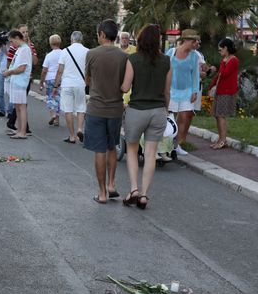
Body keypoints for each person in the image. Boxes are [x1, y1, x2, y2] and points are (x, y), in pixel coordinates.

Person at [119, 24, 172, 210]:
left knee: (132, 150)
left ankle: (133, 189)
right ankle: (144, 195)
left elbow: (125, 87)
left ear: (140, 40)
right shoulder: (166, 61)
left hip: (137, 110)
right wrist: (166, 109)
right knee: (151, 154)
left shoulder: (133, 59)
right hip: (158, 111)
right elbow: (167, 91)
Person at [84, 19, 128, 204]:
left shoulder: (92, 54)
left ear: (102, 34)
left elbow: (87, 80)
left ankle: (102, 193)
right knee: (111, 147)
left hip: (96, 108)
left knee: (99, 150)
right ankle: (112, 184)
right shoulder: (123, 56)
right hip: (116, 109)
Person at [165, 29, 200, 154]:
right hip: (172, 90)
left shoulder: (194, 56)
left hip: (187, 91)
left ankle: (178, 144)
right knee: (170, 117)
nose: (195, 43)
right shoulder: (171, 53)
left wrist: (195, 91)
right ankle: (167, 143)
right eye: (193, 41)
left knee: (185, 117)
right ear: (185, 40)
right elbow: (164, 71)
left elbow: (195, 74)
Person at [53, 30, 88, 144]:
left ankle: (72, 136)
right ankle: (79, 129)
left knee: (68, 110)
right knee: (81, 108)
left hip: (67, 84)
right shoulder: (87, 51)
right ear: (81, 39)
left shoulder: (65, 51)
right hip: (80, 84)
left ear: (71, 39)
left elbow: (59, 71)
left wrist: (55, 85)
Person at [208, 38, 239, 150]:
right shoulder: (224, 60)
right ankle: (220, 138)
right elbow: (219, 76)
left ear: (226, 48)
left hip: (227, 92)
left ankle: (223, 140)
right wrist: (211, 85)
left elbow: (224, 74)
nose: (219, 51)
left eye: (221, 48)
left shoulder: (233, 60)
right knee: (217, 115)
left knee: (221, 115)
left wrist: (223, 64)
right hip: (220, 90)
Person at [3, 29, 32, 139]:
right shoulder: (20, 49)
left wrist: (9, 72)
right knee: (17, 107)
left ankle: (22, 132)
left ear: (17, 38)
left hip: (20, 81)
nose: (12, 44)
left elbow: (22, 68)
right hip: (16, 81)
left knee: (21, 107)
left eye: (12, 41)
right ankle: (19, 130)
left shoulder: (24, 50)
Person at [38, 34, 62, 127]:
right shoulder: (64, 53)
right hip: (60, 78)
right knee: (58, 98)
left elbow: (44, 70)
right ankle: (57, 120)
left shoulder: (49, 55)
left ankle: (53, 115)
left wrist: (41, 81)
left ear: (50, 43)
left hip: (49, 78)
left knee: (50, 97)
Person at [0, 42, 8, 117]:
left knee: (9, 94)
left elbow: (11, 56)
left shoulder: (14, 46)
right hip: (1, 72)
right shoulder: (1, 48)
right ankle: (2, 111)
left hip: (10, 72)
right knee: (0, 93)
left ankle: (10, 112)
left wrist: (5, 49)